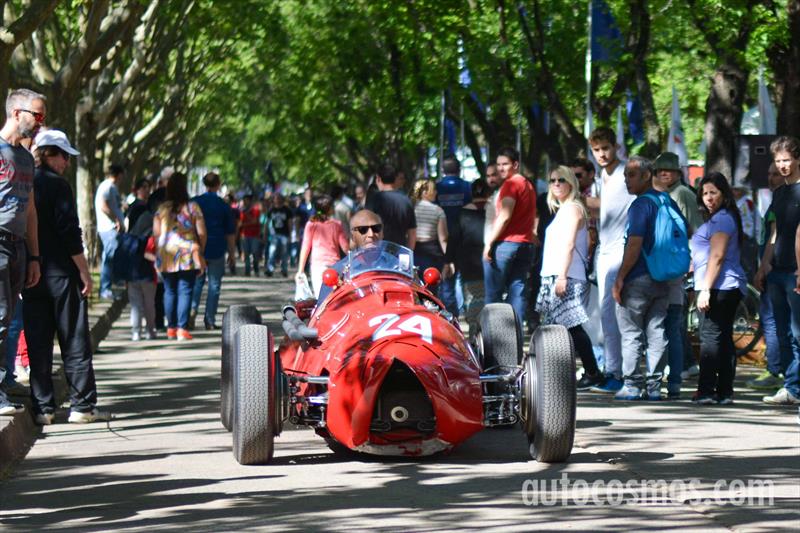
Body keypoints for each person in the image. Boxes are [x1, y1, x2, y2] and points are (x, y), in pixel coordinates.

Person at [24, 129, 109, 424]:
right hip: (61, 272)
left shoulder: (26, 182)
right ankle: (82, 406)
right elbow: (69, 231)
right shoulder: (58, 186)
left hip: (32, 274)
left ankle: (43, 407)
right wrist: (85, 272)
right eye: (63, 156)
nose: (66, 163)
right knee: (74, 339)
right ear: (48, 154)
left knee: (38, 341)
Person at [611, 156, 678, 401]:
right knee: (657, 330)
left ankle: (632, 385)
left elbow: (634, 244)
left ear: (646, 175)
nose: (626, 180)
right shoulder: (666, 201)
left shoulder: (640, 206)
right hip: (663, 277)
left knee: (631, 332)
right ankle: (654, 386)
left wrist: (620, 278)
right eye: (625, 175)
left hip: (638, 277)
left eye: (631, 175)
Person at [535, 166, 602, 390]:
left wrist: (562, 276)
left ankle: (592, 371)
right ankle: (559, 373)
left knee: (571, 325)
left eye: (561, 180)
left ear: (571, 183)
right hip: (554, 274)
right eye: (552, 180)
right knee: (556, 327)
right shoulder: (563, 209)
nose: (555, 184)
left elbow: (569, 244)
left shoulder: (573, 208)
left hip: (567, 276)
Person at [0, 88, 43, 415]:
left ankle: (4, 381)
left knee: (10, 318)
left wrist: (34, 255)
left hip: (18, 248)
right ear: (17, 113)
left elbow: (30, 211)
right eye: (37, 115)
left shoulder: (26, 158)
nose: (41, 122)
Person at [690, 172, 747, 405]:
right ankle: (723, 392)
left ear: (724, 194)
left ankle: (706, 390)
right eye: (704, 193)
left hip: (720, 286)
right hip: (723, 285)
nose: (708, 198)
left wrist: (705, 289)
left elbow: (717, 255)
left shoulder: (722, 219)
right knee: (721, 338)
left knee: (711, 337)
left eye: (713, 192)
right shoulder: (718, 218)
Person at [587, 127, 634, 394]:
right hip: (605, 250)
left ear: (615, 147)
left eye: (605, 148)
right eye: (597, 150)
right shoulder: (601, 176)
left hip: (621, 250)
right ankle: (614, 370)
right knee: (606, 315)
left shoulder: (625, 172)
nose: (602, 154)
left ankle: (622, 373)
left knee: (616, 312)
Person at [653, 151, 702, 398]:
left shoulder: (681, 194)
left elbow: (694, 228)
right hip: (673, 261)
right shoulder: (665, 194)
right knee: (676, 317)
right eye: (660, 170)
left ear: (677, 173)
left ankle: (683, 365)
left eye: (668, 170)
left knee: (676, 317)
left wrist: (691, 262)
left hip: (682, 261)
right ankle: (688, 363)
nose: (664, 173)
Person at [756, 136, 800, 405]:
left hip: (795, 272)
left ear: (797, 159)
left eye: (787, 160)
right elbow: (774, 232)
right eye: (778, 161)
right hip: (777, 271)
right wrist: (764, 266)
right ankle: (791, 386)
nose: (783, 166)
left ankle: (795, 387)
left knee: (798, 333)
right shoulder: (780, 193)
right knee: (782, 332)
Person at [483, 147, 536, 331]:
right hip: (525, 245)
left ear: (515, 164)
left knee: (493, 296)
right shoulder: (528, 185)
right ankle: (516, 340)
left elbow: (504, 216)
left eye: (505, 164)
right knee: (518, 293)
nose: (501, 168)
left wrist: (489, 242)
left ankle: (493, 340)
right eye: (498, 165)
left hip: (506, 245)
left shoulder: (510, 185)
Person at [748, 163, 790, 390]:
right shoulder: (777, 200)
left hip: (776, 269)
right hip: (776, 269)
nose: (772, 178)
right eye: (769, 174)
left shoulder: (783, 201)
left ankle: (775, 369)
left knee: (773, 320)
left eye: (776, 174)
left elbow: (773, 237)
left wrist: (763, 267)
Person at [153, 172, 206, 341]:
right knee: (185, 290)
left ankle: (171, 328)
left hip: (167, 253)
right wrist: (200, 250)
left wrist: (158, 252)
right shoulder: (193, 207)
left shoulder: (161, 209)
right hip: (187, 253)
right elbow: (202, 232)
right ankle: (182, 329)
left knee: (169, 290)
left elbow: (156, 234)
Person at [190, 172, 236, 330]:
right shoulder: (223, 205)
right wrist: (232, 254)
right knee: (214, 285)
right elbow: (230, 232)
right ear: (218, 184)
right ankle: (209, 319)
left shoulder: (195, 203)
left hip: (197, 248)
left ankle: (192, 309)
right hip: (217, 247)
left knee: (197, 282)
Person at [448, 179, 490, 336]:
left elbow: (453, 239)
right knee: (489, 294)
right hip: (490, 260)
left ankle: (474, 326)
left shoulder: (462, 214)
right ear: (488, 193)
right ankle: (488, 328)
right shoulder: (494, 211)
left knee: (471, 295)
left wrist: (449, 260)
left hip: (468, 261)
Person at [436, 157, 472, 316]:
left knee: (446, 279)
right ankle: (468, 310)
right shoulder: (467, 187)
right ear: (459, 170)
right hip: (465, 238)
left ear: (443, 170)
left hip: (441, 239)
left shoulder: (436, 189)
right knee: (467, 278)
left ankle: (451, 314)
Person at [296, 195, 349, 298]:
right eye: (332, 206)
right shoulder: (337, 225)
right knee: (334, 297)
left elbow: (306, 247)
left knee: (320, 297)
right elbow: (345, 247)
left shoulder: (311, 224)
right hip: (335, 265)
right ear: (329, 209)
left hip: (317, 265)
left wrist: (300, 270)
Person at [366, 163, 417, 248]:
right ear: (395, 178)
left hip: (379, 251)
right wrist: (409, 253)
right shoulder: (406, 201)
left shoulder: (374, 200)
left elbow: (367, 226)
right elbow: (412, 232)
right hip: (400, 252)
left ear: (378, 178)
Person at [95, 164, 126, 299]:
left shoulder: (112, 187)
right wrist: (116, 220)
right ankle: (105, 288)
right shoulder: (107, 186)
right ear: (119, 175)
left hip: (112, 227)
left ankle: (111, 284)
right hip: (108, 228)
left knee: (112, 256)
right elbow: (103, 205)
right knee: (109, 257)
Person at [411, 179, 448, 274]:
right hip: (432, 253)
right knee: (431, 286)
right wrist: (449, 259)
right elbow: (443, 238)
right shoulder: (437, 210)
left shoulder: (410, 208)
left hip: (413, 251)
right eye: (434, 189)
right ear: (425, 192)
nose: (436, 192)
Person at [265, 193, 293, 277]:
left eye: (278, 198)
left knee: (284, 252)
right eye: (275, 198)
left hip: (284, 234)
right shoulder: (271, 210)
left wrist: (291, 234)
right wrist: (265, 234)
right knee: (272, 251)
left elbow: (290, 223)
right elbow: (267, 222)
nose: (277, 200)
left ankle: (284, 269)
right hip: (274, 234)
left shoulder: (287, 210)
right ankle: (270, 269)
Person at [239, 193, 262, 276]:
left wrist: (244, 223)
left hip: (254, 235)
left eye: (246, 200)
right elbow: (239, 224)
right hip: (244, 235)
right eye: (243, 201)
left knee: (255, 253)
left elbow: (255, 221)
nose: (244, 202)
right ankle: (247, 271)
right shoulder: (241, 211)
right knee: (246, 253)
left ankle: (256, 269)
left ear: (250, 201)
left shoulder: (256, 210)